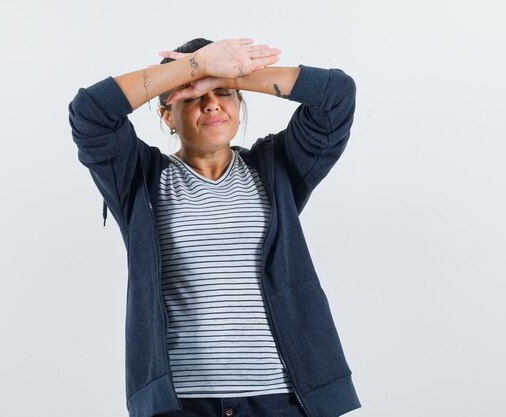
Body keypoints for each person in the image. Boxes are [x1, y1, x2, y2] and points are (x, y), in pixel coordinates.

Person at [68, 37, 360, 417]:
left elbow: (338, 95)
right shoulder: (139, 177)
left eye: (223, 93)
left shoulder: (277, 169)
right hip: (180, 404)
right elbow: (89, 112)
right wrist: (196, 66)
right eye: (190, 97)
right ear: (167, 116)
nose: (210, 102)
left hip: (283, 399)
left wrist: (232, 74)